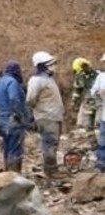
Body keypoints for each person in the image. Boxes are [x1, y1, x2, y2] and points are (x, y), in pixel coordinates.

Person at [26, 51, 65, 179]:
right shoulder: (36, 80)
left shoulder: (48, 79)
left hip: (53, 116)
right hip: (46, 116)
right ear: (42, 66)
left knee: (53, 143)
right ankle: (51, 172)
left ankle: (50, 169)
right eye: (50, 64)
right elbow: (30, 99)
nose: (54, 66)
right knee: (49, 143)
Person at [0, 60, 30, 173]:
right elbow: (14, 99)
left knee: (7, 147)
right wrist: (19, 115)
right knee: (16, 147)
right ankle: (14, 175)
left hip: (2, 119)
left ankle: (7, 172)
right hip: (13, 120)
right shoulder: (12, 82)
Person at [71, 57, 99, 136]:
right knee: (87, 125)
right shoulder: (79, 77)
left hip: (100, 103)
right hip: (88, 103)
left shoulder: (99, 76)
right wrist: (74, 102)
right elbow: (77, 90)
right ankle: (94, 145)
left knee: (100, 123)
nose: (81, 73)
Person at [91, 53, 105, 172]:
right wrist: (99, 93)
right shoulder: (101, 77)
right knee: (103, 142)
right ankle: (100, 164)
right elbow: (93, 91)